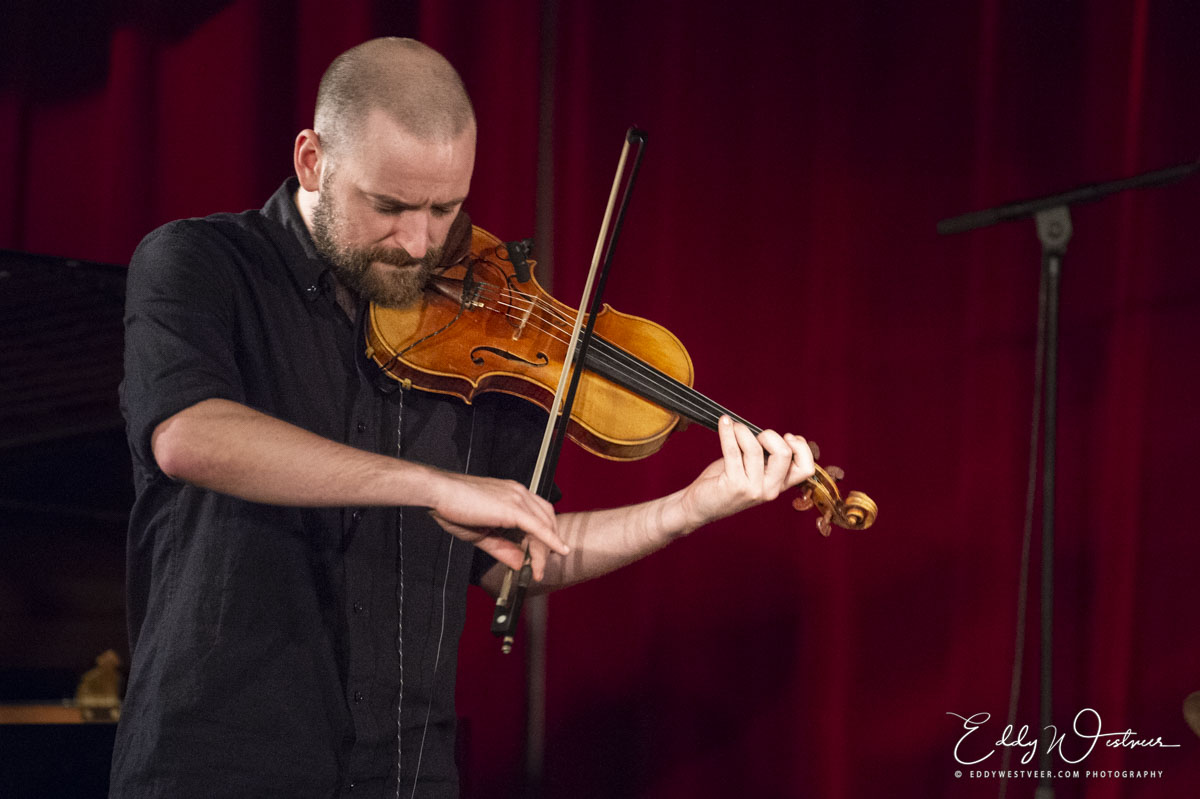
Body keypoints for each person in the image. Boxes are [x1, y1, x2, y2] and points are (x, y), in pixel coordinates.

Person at [110, 37, 815, 798]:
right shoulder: (198, 263)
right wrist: (430, 484)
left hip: (406, 772)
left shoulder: (479, 326)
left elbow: (516, 554)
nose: (419, 243)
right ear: (313, 161)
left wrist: (687, 508)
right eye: (389, 207)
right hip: (218, 766)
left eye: (444, 209)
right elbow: (189, 435)